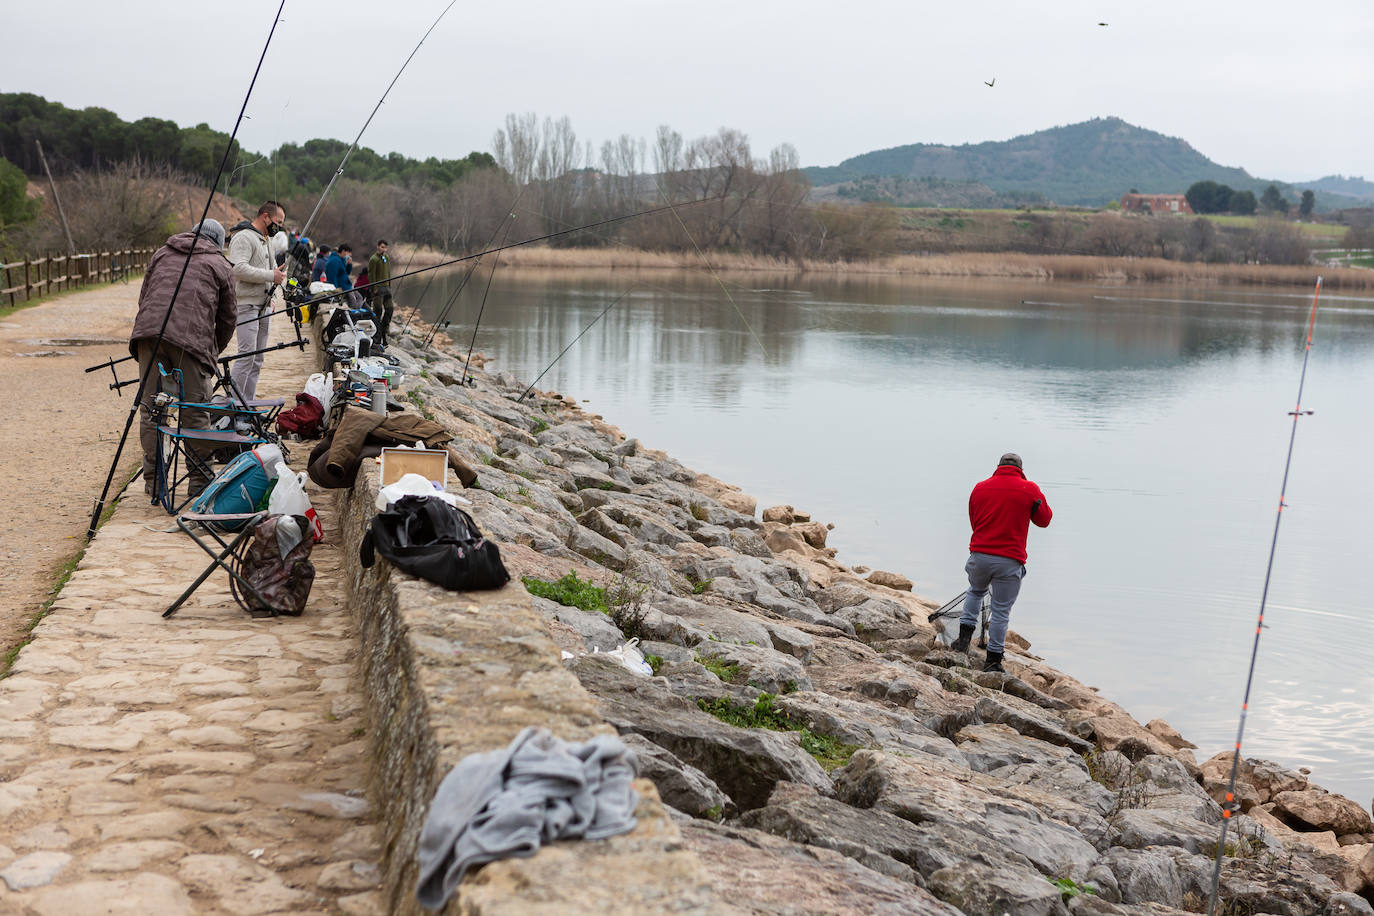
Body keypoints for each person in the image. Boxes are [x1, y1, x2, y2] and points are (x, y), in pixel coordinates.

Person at [128, 219, 236, 498]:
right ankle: (199, 483)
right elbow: (227, 319)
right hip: (192, 342)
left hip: (149, 334)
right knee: (195, 411)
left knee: (151, 410)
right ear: (218, 242)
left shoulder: (162, 253)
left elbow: (145, 298)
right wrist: (212, 352)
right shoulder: (220, 264)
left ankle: (155, 483)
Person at [952, 452, 1053, 672]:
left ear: (997, 466)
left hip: (979, 555)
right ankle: (993, 660)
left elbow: (974, 519)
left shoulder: (980, 487)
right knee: (1000, 611)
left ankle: (962, 643)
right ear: (1021, 469)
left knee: (975, 592)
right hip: (1009, 560)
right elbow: (1044, 520)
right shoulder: (1029, 489)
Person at [228, 200, 287, 401]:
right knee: (246, 356)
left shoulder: (266, 240)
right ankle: (230, 407)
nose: (279, 227)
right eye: (278, 221)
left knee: (257, 358)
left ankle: (247, 405)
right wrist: (271, 276)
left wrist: (273, 293)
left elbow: (271, 271)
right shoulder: (243, 238)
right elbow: (237, 269)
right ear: (265, 217)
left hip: (264, 306)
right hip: (247, 305)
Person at [367, 239, 393, 349]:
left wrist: (390, 285)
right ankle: (376, 336)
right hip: (378, 289)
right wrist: (374, 288)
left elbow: (388, 272)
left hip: (387, 288)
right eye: (382, 247)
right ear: (378, 247)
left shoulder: (386, 257)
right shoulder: (373, 259)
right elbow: (371, 275)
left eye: (385, 247)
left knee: (390, 309)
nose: (384, 249)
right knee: (378, 311)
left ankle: (384, 329)